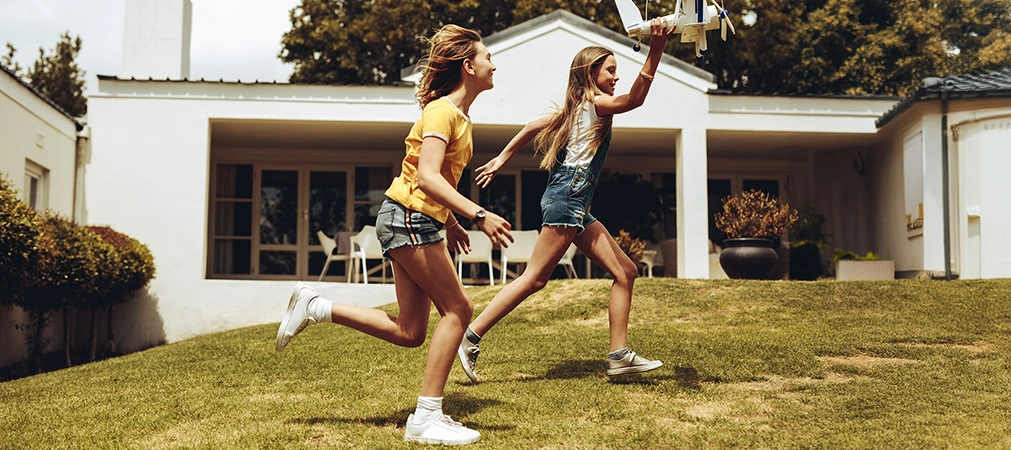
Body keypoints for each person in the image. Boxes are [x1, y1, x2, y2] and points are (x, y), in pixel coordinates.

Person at [275, 24, 513, 445]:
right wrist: (478, 214)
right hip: (408, 217)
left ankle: (316, 306)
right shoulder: (442, 112)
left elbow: (439, 179)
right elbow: (426, 177)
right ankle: (426, 417)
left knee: (410, 331)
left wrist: (451, 222)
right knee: (458, 309)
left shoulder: (459, 117)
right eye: (488, 57)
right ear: (468, 65)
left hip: (412, 217)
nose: (493, 65)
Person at [457, 18, 673, 383]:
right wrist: (657, 48)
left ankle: (619, 356)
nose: (616, 77)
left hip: (574, 202)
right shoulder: (595, 103)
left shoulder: (576, 108)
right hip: (568, 197)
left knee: (626, 272)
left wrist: (501, 159)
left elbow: (532, 126)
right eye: (610, 70)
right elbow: (635, 99)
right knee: (534, 279)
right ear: (591, 74)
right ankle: (470, 337)